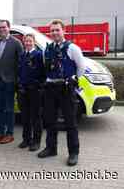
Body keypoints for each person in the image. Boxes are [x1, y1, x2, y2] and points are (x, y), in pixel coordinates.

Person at [37, 19, 86, 166]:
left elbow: (81, 68)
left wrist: (72, 79)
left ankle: (73, 153)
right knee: (50, 120)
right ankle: (51, 148)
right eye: (52, 30)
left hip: (66, 89)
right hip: (51, 89)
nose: (54, 33)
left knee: (70, 122)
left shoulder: (73, 48)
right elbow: (46, 68)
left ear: (63, 31)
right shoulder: (47, 48)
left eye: (57, 30)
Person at [0, 20, 23, 144]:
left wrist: (17, 80)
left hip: (10, 82)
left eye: (4, 27)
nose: (1, 29)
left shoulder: (16, 43)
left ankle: (10, 134)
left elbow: (21, 63)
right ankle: (0, 132)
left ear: (9, 28)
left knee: (9, 109)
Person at [17, 33, 45, 151]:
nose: (28, 43)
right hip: (23, 90)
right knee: (25, 116)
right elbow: (20, 71)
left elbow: (43, 73)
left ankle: (36, 141)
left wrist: (39, 86)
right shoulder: (22, 55)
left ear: (34, 42)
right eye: (26, 41)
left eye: (30, 41)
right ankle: (26, 139)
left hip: (35, 90)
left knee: (36, 117)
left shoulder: (39, 55)